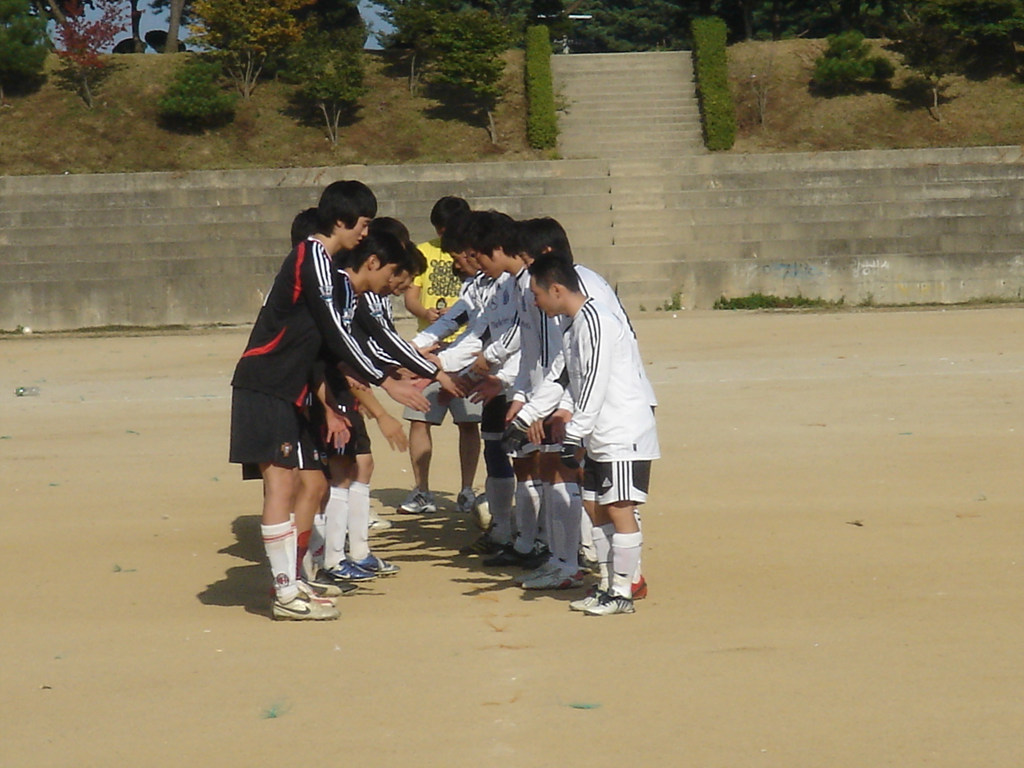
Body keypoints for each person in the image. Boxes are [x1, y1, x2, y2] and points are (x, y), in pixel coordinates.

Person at [228, 181, 427, 621]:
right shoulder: (312, 257)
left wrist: (413, 372)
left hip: (292, 390)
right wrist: (384, 381)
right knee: (282, 485)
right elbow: (336, 333)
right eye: (364, 223)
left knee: (305, 484)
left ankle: (295, 580)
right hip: (267, 384)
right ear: (341, 220)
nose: (364, 233)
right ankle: (285, 591)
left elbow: (352, 336)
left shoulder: (331, 268)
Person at [522, 253, 659, 615]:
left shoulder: (597, 321)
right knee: (595, 508)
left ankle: (623, 593)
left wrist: (572, 435)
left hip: (622, 431)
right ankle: (606, 585)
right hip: (598, 434)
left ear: (555, 289)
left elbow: (595, 382)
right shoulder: (574, 325)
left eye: (536, 294)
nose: (534, 302)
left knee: (619, 508)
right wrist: (524, 420)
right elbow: (561, 378)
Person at [400, 197, 481, 515]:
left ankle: (466, 490)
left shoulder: (480, 265)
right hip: (430, 351)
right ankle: (421, 491)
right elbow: (412, 297)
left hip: (470, 354)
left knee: (469, 422)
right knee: (420, 419)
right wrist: (428, 317)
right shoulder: (423, 251)